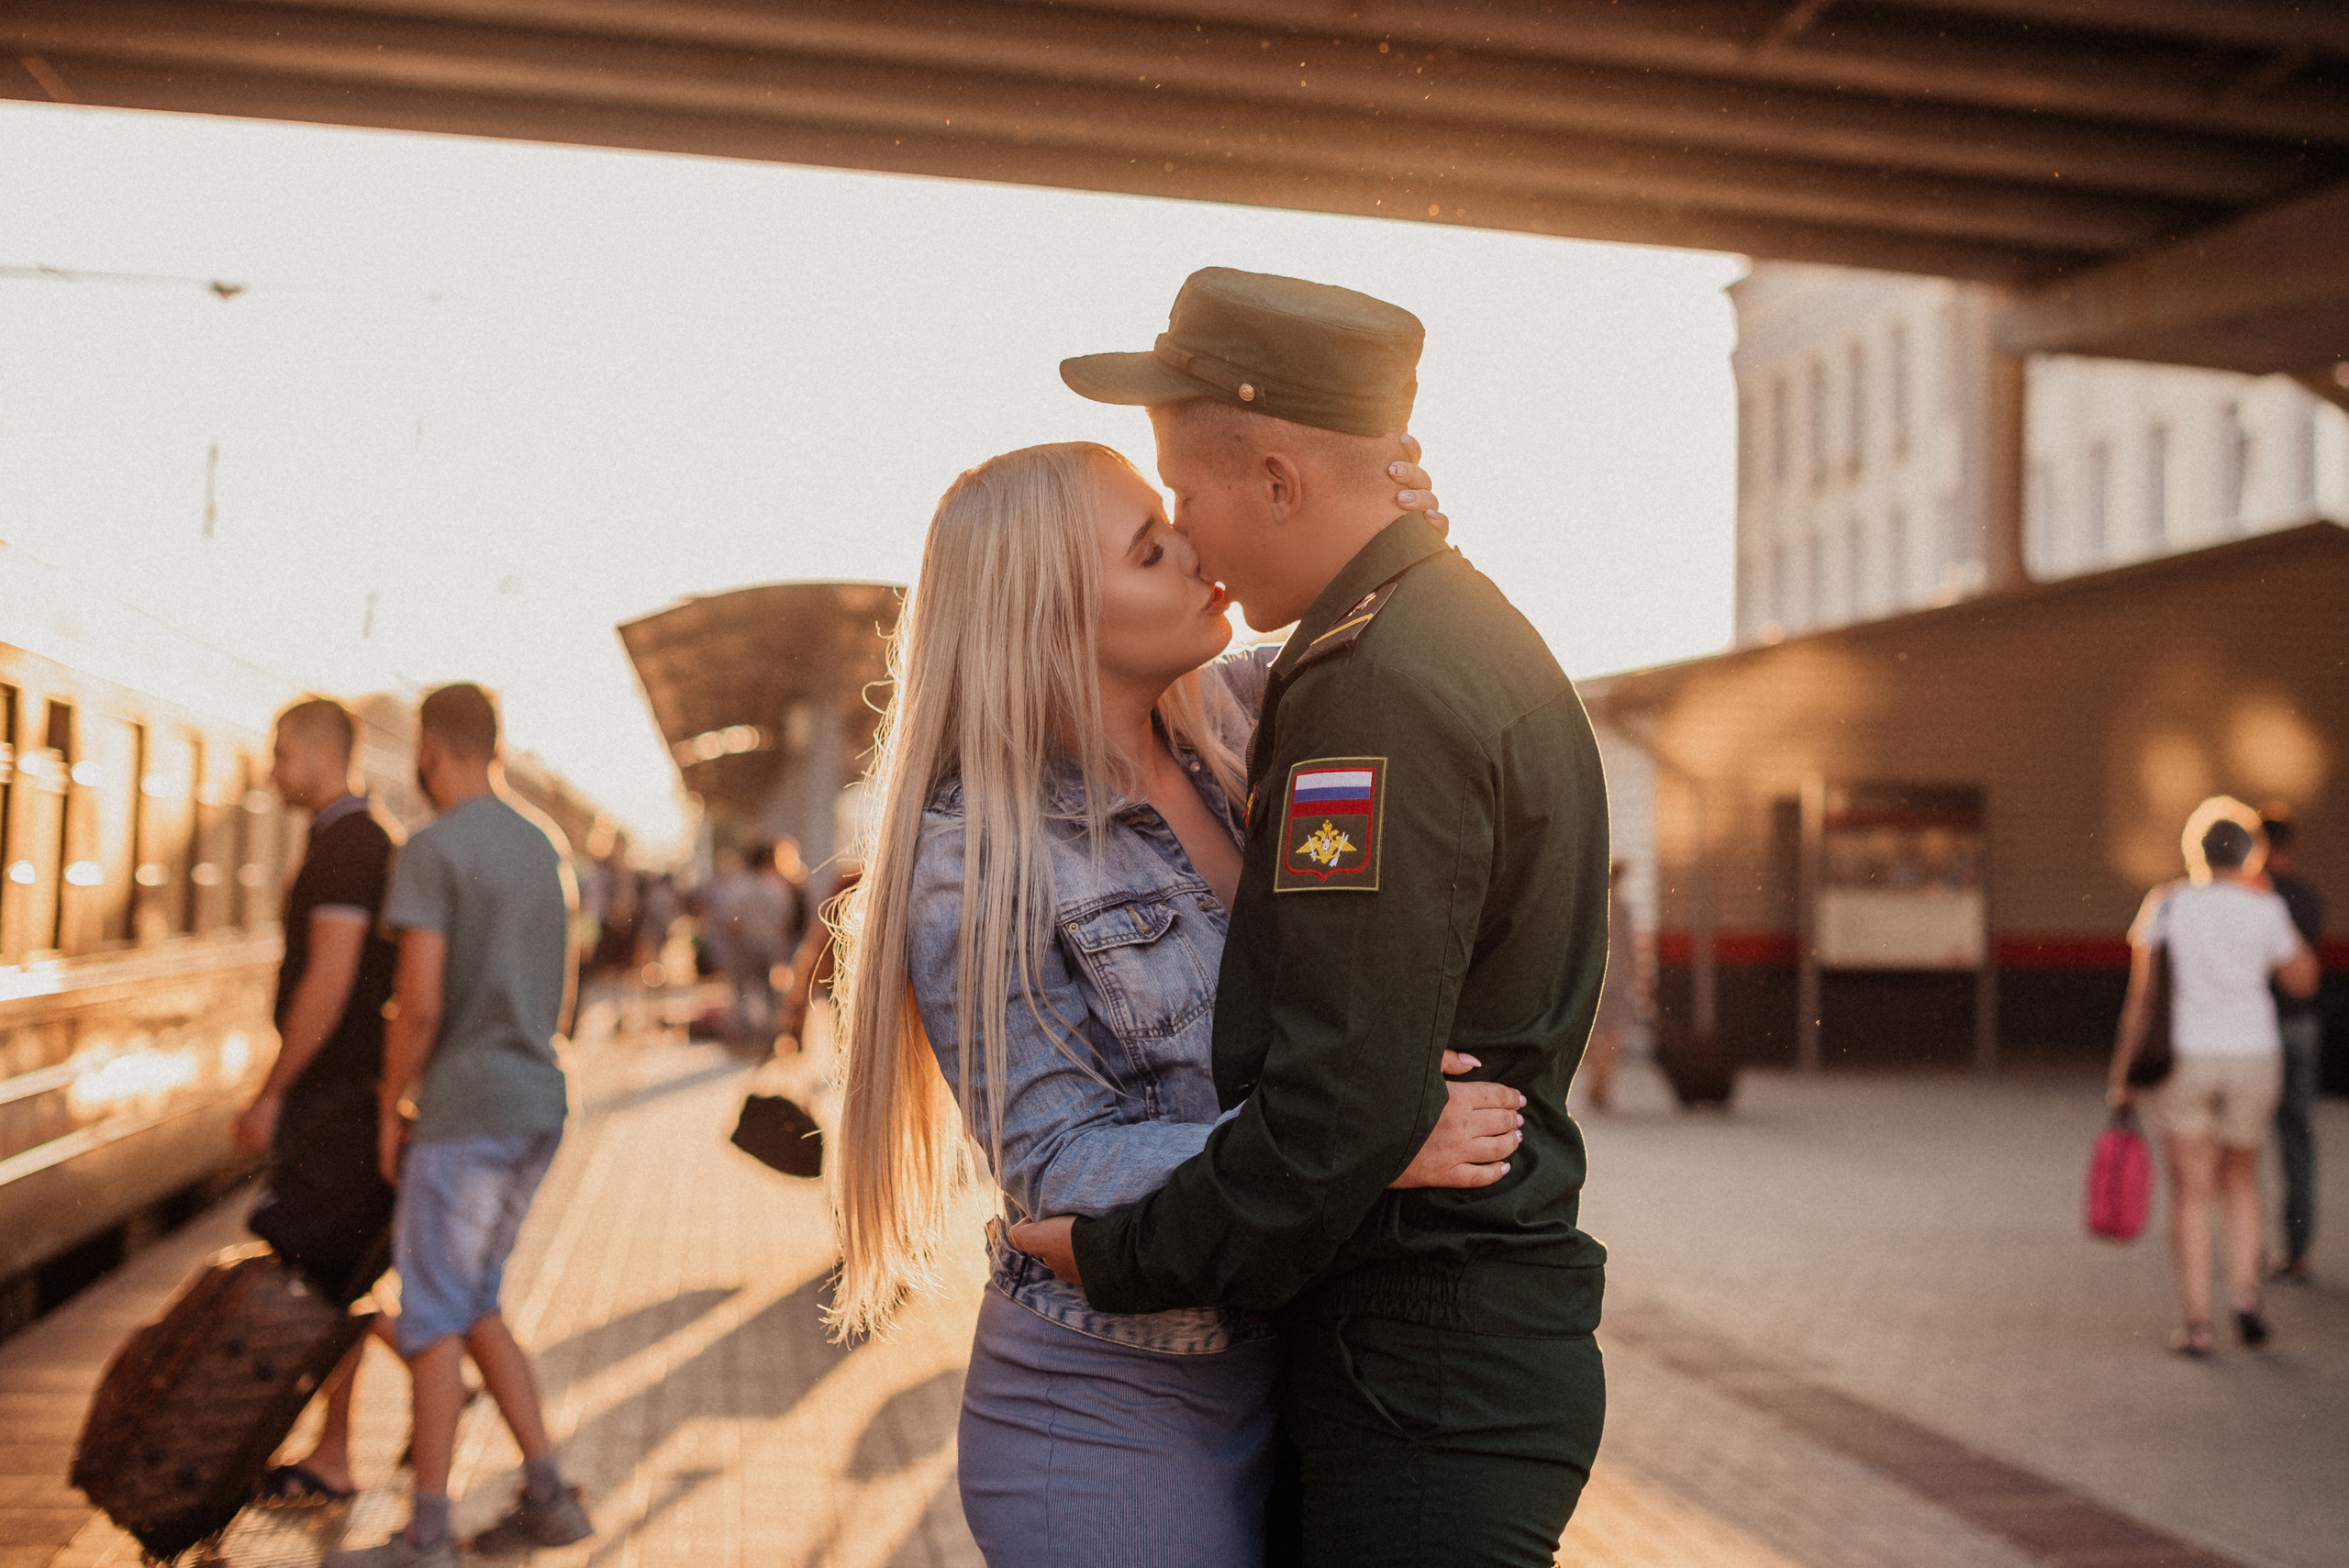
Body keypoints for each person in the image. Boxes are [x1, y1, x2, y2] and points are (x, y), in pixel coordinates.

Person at [1011, 267, 1613, 1566]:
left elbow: (1338, 1103)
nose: (1186, 535)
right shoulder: (1434, 631)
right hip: (1445, 1351)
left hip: (1418, 1370)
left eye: (1185, 493)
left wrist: (1117, 1258)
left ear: (1280, 482)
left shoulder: (1376, 693)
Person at [830, 441, 1514, 1567]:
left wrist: (1407, 543)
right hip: (1108, 1411)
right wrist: (1351, 1140)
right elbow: (1054, 1165)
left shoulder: (1254, 715)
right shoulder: (976, 857)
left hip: (1294, 1366)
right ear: (1052, 621)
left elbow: (1411, 645)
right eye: (1153, 548)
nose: (1197, 553)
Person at [327, 684, 592, 1568]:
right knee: (473, 1303)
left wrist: (392, 1105)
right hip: (536, 1104)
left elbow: (420, 1004)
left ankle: (425, 1535)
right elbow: (563, 993)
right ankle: (549, 1496)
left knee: (432, 1315)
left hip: (466, 1112)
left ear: (431, 750)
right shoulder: (542, 844)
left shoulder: (433, 847)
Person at [237, 696, 402, 1503]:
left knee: (327, 1276)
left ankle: (334, 1452)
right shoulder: (357, 840)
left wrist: (273, 1089)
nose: (272, 769)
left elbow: (329, 979)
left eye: (280, 752)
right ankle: (334, 1441)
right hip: (346, 1095)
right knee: (341, 1274)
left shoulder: (348, 846)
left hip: (332, 1098)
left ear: (320, 750)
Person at [2109, 800, 2319, 1357]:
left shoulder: (2168, 904)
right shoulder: (2263, 907)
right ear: (2250, 854)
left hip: (2184, 1060)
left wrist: (2124, 1079)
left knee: (2190, 1192)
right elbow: (2303, 981)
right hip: (2252, 1056)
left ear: (2194, 851)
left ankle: (2197, 1324)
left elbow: (2142, 1000)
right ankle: (2245, 1297)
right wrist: (2270, 916)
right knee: (2239, 1180)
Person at [2260, 807, 2325, 1284]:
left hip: (2257, 1030)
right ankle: (2297, 1250)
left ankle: (2247, 1244)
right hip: (2301, 1027)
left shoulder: (2253, 897)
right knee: (2297, 1136)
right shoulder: (2309, 897)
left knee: (2240, 1145)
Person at [1582, 861, 1641, 1112]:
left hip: (1592, 982)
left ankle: (1596, 1080)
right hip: (1617, 981)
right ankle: (1603, 1085)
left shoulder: (1588, 908)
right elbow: (1630, 949)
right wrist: (1638, 978)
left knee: (1589, 1039)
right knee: (1613, 1035)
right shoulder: (1623, 909)